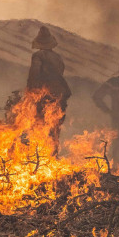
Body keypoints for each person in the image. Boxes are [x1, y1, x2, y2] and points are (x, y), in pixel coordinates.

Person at [26, 26, 71, 154]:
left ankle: (40, 155)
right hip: (60, 94)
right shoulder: (58, 57)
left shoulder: (38, 55)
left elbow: (34, 73)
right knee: (55, 127)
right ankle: (53, 154)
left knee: (39, 124)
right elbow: (60, 72)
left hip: (44, 94)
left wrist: (31, 91)